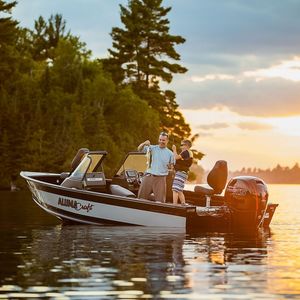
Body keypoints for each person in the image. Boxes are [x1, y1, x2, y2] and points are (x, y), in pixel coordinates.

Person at [137, 132, 175, 202]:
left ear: (167, 141)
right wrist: (144, 143)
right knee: (141, 199)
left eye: (163, 140)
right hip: (148, 176)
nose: (161, 141)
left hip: (161, 179)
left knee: (160, 202)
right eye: (160, 139)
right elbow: (139, 149)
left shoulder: (170, 153)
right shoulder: (152, 148)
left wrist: (170, 166)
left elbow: (172, 166)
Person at [172, 140, 193, 205]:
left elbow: (176, 157)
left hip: (181, 173)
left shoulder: (185, 152)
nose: (180, 147)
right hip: (184, 173)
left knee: (175, 189)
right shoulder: (189, 153)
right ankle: (183, 203)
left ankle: (174, 205)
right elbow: (181, 162)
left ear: (186, 146)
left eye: (182, 145)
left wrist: (174, 149)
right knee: (180, 190)